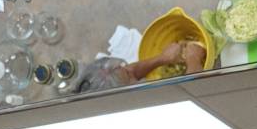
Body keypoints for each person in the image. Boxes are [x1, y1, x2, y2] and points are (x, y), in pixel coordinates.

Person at [75, 40, 207, 93]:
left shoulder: (91, 81)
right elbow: (194, 90)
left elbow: (129, 73)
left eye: (123, 68)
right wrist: (193, 59)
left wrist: (162, 58)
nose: (129, 69)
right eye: (127, 74)